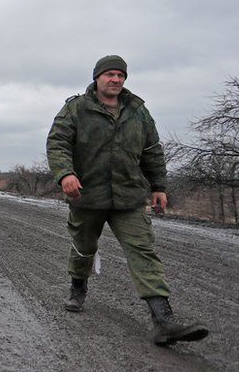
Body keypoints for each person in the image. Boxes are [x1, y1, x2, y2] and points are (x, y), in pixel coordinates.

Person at [46, 55, 208, 346]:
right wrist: (65, 174)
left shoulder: (138, 111)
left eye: (121, 75)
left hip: (129, 196)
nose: (116, 80)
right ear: (97, 78)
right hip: (87, 195)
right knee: (84, 249)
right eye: (110, 74)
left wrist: (158, 185)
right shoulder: (76, 108)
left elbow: (152, 150)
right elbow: (57, 142)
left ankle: (163, 321)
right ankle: (78, 287)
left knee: (143, 251)